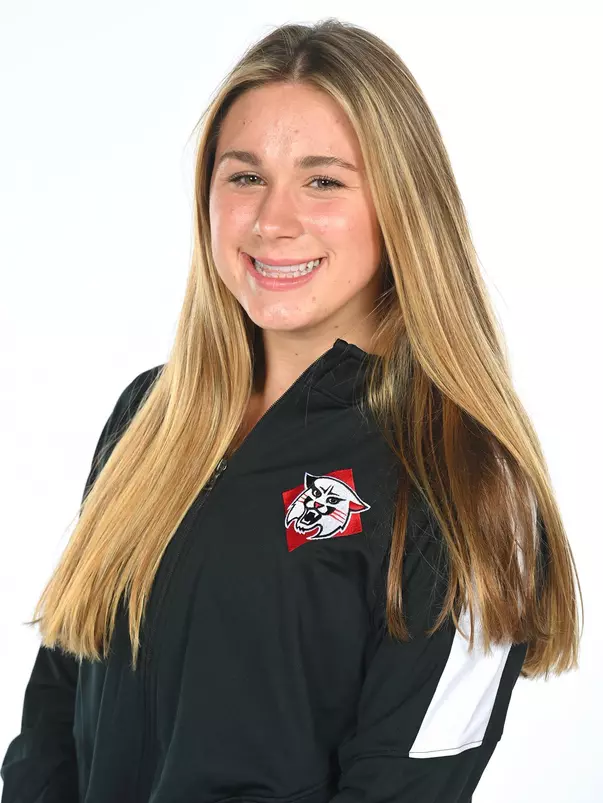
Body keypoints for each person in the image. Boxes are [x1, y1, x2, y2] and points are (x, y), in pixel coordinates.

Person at [1, 18, 582, 803]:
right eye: (244, 177)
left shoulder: (469, 483)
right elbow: (51, 726)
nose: (273, 220)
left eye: (323, 180)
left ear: (401, 204)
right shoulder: (149, 417)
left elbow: (405, 789)